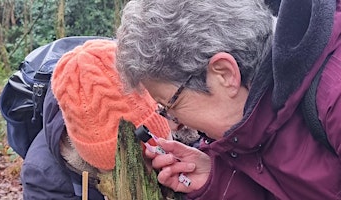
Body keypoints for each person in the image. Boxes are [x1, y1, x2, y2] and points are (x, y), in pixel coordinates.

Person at [115, 0, 341, 199]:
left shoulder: (333, 97)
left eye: (171, 104)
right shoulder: (246, 129)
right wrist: (217, 180)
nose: (174, 122)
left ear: (224, 74)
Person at [20, 39, 173, 199]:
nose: (150, 169)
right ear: (93, 161)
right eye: (135, 163)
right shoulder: (44, 178)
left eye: (156, 150)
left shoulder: (182, 119)